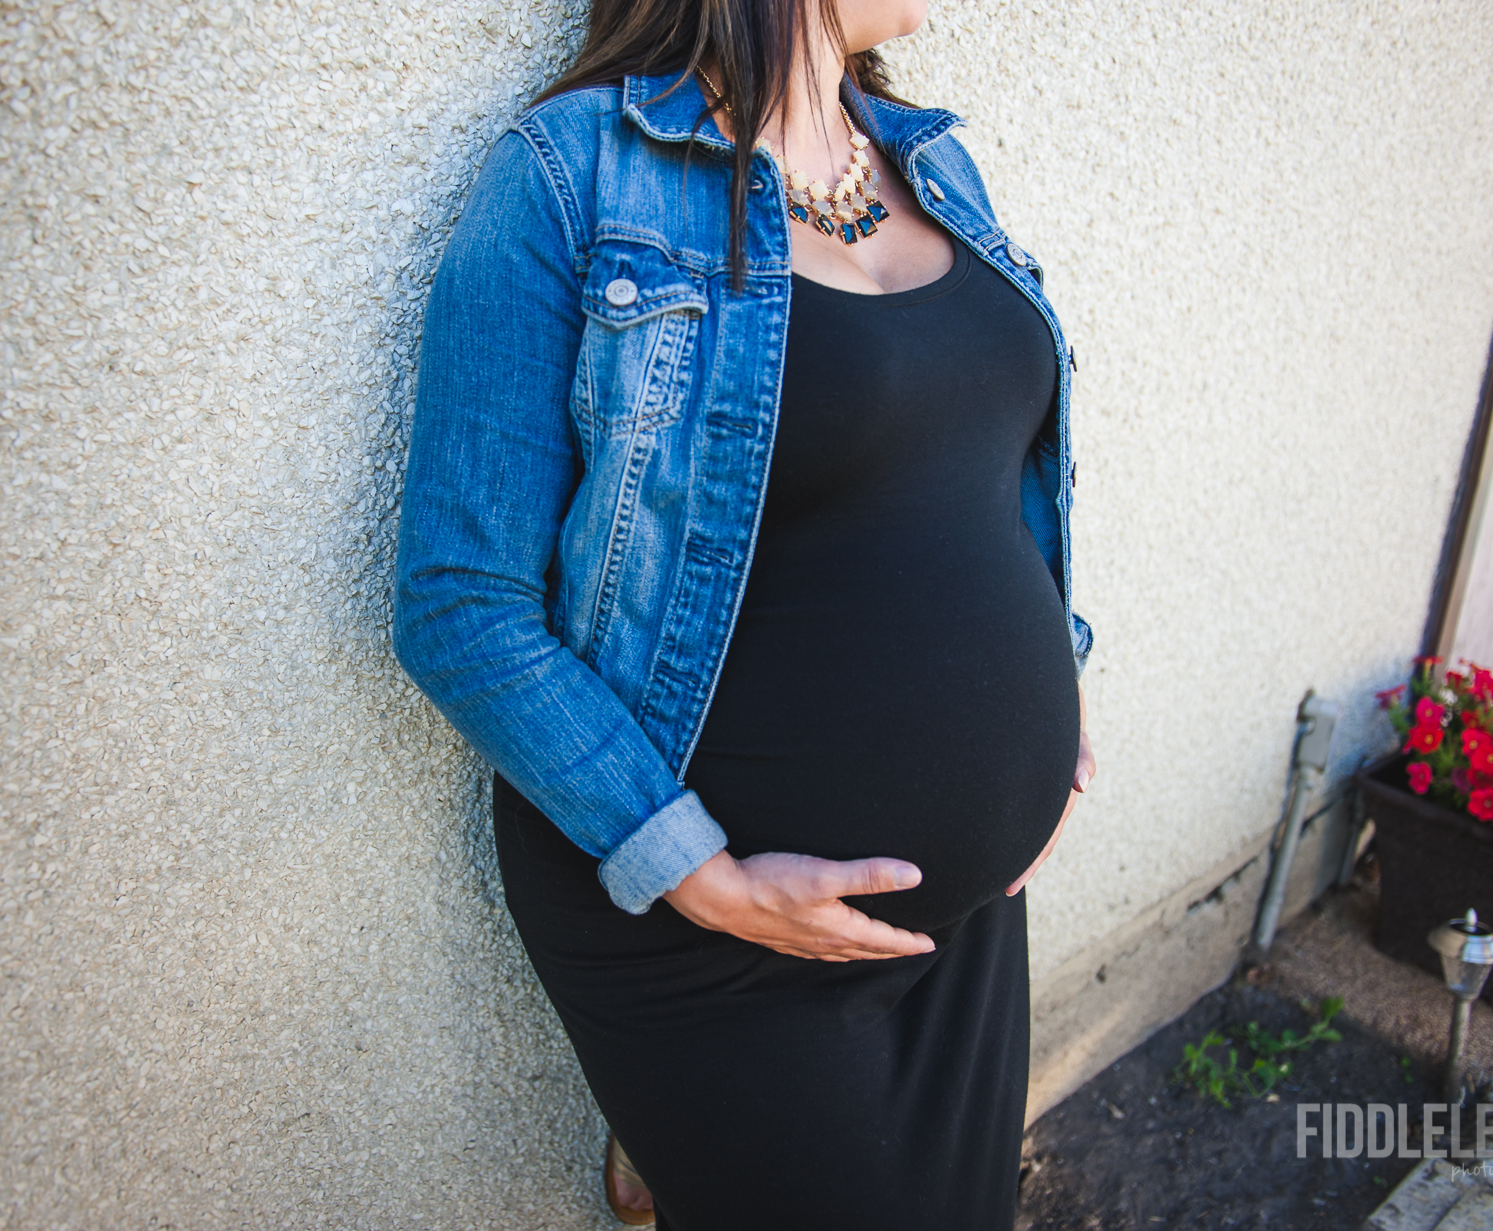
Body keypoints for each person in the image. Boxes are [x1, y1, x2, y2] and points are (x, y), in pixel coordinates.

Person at [393, 0, 1097, 1224]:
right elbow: (460, 603)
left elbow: (981, 478)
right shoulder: (571, 177)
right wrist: (699, 875)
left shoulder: (929, 157)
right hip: (706, 928)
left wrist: (1051, 707)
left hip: (965, 912)